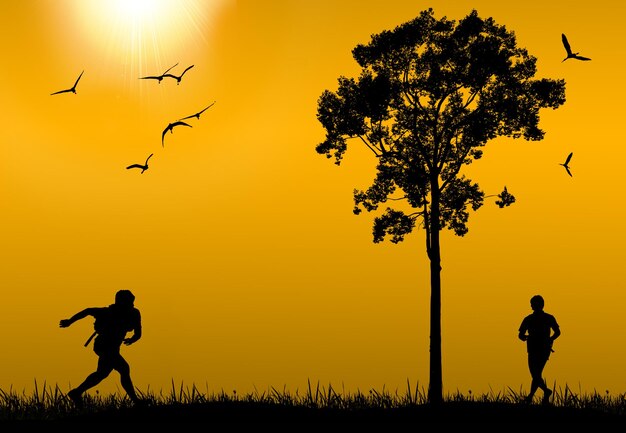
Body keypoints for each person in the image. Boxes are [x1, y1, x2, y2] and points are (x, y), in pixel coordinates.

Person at [59, 289, 142, 407]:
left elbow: (138, 333)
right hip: (103, 345)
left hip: (114, 348)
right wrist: (70, 321)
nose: (132, 304)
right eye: (129, 302)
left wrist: (132, 339)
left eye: (132, 302)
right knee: (124, 368)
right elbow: (87, 311)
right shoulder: (107, 312)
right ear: (120, 302)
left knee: (102, 374)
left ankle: (76, 392)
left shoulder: (134, 313)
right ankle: (136, 401)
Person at [518, 294, 561, 404]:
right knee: (536, 374)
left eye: (533, 304)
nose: (532, 306)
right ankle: (541, 393)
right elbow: (520, 335)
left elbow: (558, 332)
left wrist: (550, 339)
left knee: (536, 374)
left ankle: (534, 395)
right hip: (533, 349)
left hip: (542, 349)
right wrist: (526, 337)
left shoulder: (546, 318)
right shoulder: (529, 319)